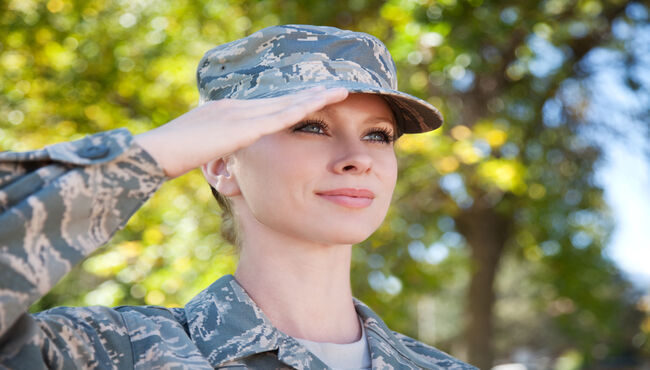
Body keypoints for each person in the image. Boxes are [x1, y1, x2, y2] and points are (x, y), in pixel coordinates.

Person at [0, 24, 476, 369]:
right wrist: (149, 154)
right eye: (310, 126)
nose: (359, 158)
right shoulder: (110, 352)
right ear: (222, 162)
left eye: (379, 136)